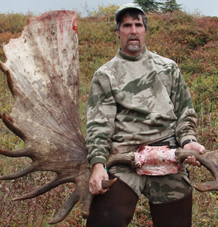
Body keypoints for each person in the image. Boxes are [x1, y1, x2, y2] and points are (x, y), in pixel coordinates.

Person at [86, 3, 205, 226]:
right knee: (103, 221)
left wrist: (188, 141)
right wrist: (98, 164)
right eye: (127, 25)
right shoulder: (105, 75)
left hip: (167, 154)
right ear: (118, 31)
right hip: (123, 158)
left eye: (138, 25)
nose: (133, 31)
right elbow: (99, 126)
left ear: (145, 30)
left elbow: (185, 113)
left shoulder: (168, 68)